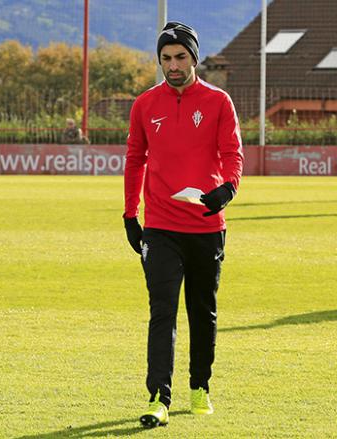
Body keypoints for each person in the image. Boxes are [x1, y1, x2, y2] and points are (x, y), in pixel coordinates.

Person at [123, 21, 243, 427]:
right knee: (162, 312)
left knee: (202, 311)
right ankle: (158, 397)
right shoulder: (144, 105)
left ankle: (200, 386)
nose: (173, 65)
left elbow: (232, 154)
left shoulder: (219, 102)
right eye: (166, 59)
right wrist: (129, 215)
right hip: (159, 226)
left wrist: (227, 189)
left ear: (194, 58)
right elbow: (134, 160)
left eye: (180, 57)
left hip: (207, 226)